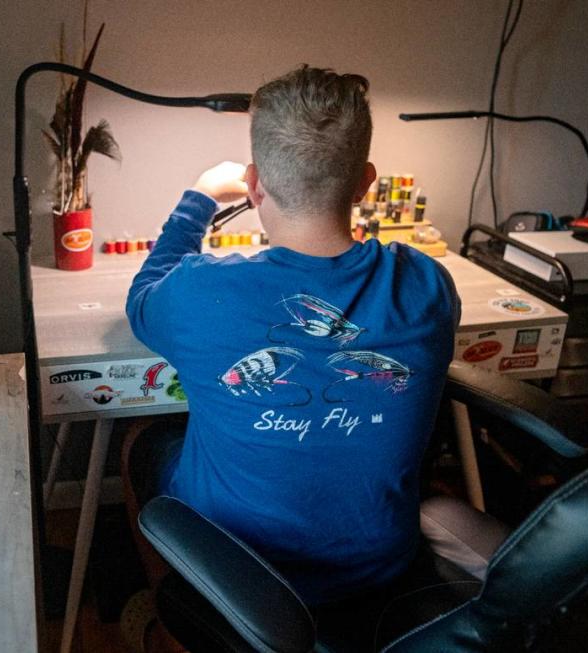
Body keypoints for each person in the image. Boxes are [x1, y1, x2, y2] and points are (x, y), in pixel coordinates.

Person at [125, 66, 460, 604]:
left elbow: (142, 297)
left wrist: (201, 198)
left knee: (142, 445)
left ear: (255, 185)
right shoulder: (427, 285)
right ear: (365, 181)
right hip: (379, 567)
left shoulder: (198, 293)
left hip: (245, 569)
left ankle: (173, 611)